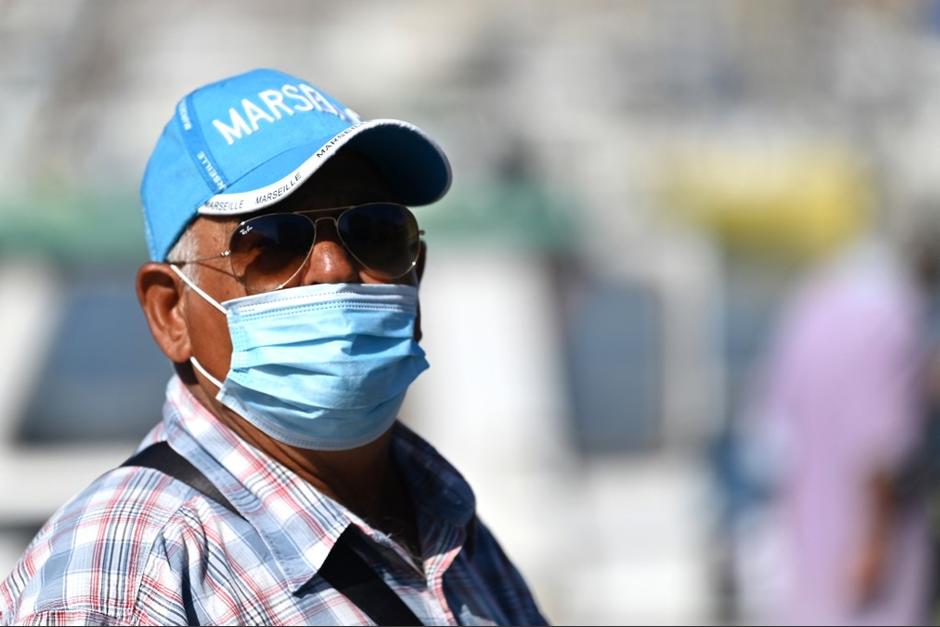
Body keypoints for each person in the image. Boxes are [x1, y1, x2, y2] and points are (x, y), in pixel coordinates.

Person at [0, 68, 547, 626]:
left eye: (377, 232)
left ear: (416, 272)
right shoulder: (132, 572)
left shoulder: (454, 534)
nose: (335, 269)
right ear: (170, 312)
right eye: (272, 243)